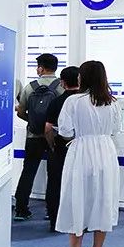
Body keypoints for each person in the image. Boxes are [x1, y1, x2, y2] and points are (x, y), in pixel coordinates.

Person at [56, 60, 121, 247]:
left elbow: (65, 131)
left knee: (76, 199)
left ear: (81, 77)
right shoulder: (113, 103)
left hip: (81, 152)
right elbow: (115, 130)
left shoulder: (74, 101)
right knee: (103, 200)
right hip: (106, 153)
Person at [14, 53, 62, 221]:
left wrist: (33, 122)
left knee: (28, 171)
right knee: (54, 174)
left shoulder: (30, 87)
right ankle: (52, 210)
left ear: (41, 68)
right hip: (55, 136)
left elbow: (20, 112)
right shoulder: (61, 87)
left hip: (33, 136)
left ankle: (21, 209)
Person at [44, 66, 80, 232]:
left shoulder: (57, 101)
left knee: (55, 183)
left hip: (59, 148)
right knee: (79, 184)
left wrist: (52, 145)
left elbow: (48, 128)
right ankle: (79, 221)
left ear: (62, 82)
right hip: (80, 149)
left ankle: (54, 220)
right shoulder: (85, 102)